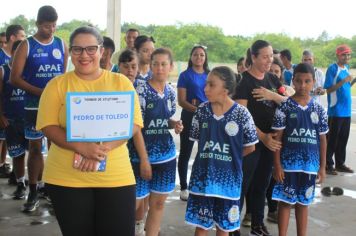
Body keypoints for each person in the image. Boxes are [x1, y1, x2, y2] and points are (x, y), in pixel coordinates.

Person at [36, 26, 145, 236]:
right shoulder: (57, 85)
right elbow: (48, 126)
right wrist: (79, 146)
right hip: (66, 178)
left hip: (116, 177)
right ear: (71, 52)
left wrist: (98, 150)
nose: (84, 55)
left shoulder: (120, 82)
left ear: (102, 51)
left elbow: (134, 123)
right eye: (77, 49)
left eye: (91, 49)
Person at [185, 66, 258, 236]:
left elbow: (251, 146)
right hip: (202, 180)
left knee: (223, 228)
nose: (205, 89)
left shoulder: (242, 114)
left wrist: (230, 159)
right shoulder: (201, 112)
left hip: (229, 182)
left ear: (225, 89)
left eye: (211, 85)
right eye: (206, 84)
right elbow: (197, 140)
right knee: (201, 226)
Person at [10, 5, 68, 212]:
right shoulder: (26, 45)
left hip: (57, 106)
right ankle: (32, 190)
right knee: (35, 149)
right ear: (37, 24)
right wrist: (40, 91)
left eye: (53, 25)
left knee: (57, 148)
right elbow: (14, 78)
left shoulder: (61, 44)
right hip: (33, 107)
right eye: (46, 26)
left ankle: (52, 188)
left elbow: (62, 78)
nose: (50, 30)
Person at [233, 40, 286, 236]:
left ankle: (257, 224)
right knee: (243, 184)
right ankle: (233, 226)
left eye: (271, 56)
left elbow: (289, 103)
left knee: (262, 185)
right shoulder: (243, 81)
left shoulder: (273, 80)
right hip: (250, 143)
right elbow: (241, 115)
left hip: (270, 142)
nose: (268, 60)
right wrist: (262, 136)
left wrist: (273, 96)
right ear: (253, 57)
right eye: (264, 56)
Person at [129, 48, 183, 236]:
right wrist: (144, 159)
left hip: (166, 157)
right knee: (134, 206)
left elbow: (161, 119)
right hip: (140, 158)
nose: (159, 68)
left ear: (171, 66)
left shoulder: (170, 91)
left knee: (158, 205)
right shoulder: (140, 89)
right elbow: (136, 127)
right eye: (155, 64)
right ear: (150, 65)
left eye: (163, 64)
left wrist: (173, 123)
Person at [272, 63, 328, 236]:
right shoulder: (284, 107)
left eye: (307, 81)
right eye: (298, 81)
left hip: (309, 166)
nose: (302, 85)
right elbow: (277, 139)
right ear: (293, 81)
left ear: (313, 82)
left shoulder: (319, 109)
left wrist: (322, 167)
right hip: (288, 166)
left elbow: (322, 140)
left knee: (303, 204)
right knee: (285, 202)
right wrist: (277, 165)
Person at [177, 45, 210, 201]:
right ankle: (184, 187)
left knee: (205, 152)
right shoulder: (185, 75)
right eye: (195, 54)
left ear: (205, 57)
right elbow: (182, 101)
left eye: (202, 55)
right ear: (191, 57)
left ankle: (199, 184)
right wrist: (198, 110)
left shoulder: (210, 75)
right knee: (186, 152)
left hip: (208, 118)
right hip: (190, 117)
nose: (199, 57)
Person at [0, 40, 26, 199]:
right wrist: (1, 115)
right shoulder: (3, 71)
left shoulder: (30, 70)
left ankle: (39, 185)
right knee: (17, 154)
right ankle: (21, 183)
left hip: (30, 119)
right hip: (11, 120)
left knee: (36, 152)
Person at [324, 44, 354, 175]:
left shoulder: (346, 68)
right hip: (336, 111)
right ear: (338, 55)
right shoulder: (332, 68)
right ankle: (328, 165)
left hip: (347, 110)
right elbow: (329, 89)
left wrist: (351, 81)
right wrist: (344, 81)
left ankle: (340, 164)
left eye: (348, 54)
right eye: (344, 54)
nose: (346, 57)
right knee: (332, 140)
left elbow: (346, 87)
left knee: (343, 139)